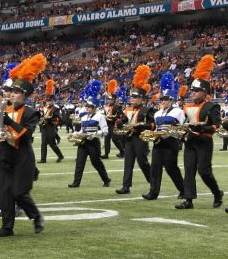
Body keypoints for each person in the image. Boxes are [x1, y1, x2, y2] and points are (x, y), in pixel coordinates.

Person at [0, 54, 46, 237]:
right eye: (11, 91)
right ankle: (7, 227)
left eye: (16, 92)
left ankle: (36, 216)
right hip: (5, 153)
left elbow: (26, 136)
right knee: (6, 193)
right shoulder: (4, 109)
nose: (11, 94)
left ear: (24, 95)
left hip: (22, 156)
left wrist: (9, 122)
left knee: (19, 192)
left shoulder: (32, 113)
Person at [176, 54, 223, 210]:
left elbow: (217, 125)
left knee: (204, 172)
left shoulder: (212, 106)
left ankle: (217, 193)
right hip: (190, 141)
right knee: (189, 171)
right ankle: (189, 200)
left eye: (196, 91)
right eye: (192, 90)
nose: (193, 93)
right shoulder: (187, 107)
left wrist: (204, 128)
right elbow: (183, 122)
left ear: (204, 92)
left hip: (204, 141)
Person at [142, 74, 186, 201]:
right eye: (162, 99)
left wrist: (171, 134)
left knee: (171, 168)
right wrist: (153, 135)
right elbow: (156, 128)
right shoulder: (157, 113)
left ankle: (183, 189)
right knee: (155, 168)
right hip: (158, 142)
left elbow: (181, 129)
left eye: (166, 99)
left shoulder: (178, 112)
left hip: (171, 142)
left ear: (171, 100)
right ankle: (153, 192)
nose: (163, 101)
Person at [114, 66, 154, 195]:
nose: (133, 99)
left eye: (135, 98)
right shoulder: (128, 109)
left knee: (142, 162)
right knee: (128, 162)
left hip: (140, 138)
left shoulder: (147, 110)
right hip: (129, 138)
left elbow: (152, 125)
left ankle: (153, 183)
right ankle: (126, 186)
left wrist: (140, 126)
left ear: (142, 99)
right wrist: (120, 122)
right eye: (132, 97)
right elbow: (124, 120)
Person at [68, 81, 111, 188]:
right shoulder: (83, 117)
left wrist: (95, 134)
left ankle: (106, 179)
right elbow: (83, 130)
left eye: (89, 106)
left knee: (96, 162)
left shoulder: (100, 116)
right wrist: (76, 134)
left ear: (94, 107)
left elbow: (105, 131)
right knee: (79, 163)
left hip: (93, 143)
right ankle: (76, 182)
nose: (87, 108)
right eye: (87, 106)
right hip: (83, 142)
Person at [38, 81, 64, 163]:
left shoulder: (55, 108)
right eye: (47, 100)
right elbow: (41, 116)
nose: (48, 102)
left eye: (50, 100)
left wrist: (49, 119)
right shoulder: (44, 108)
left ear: (52, 101)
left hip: (51, 127)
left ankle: (60, 156)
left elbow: (58, 119)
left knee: (52, 144)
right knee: (43, 144)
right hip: (44, 127)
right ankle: (43, 159)